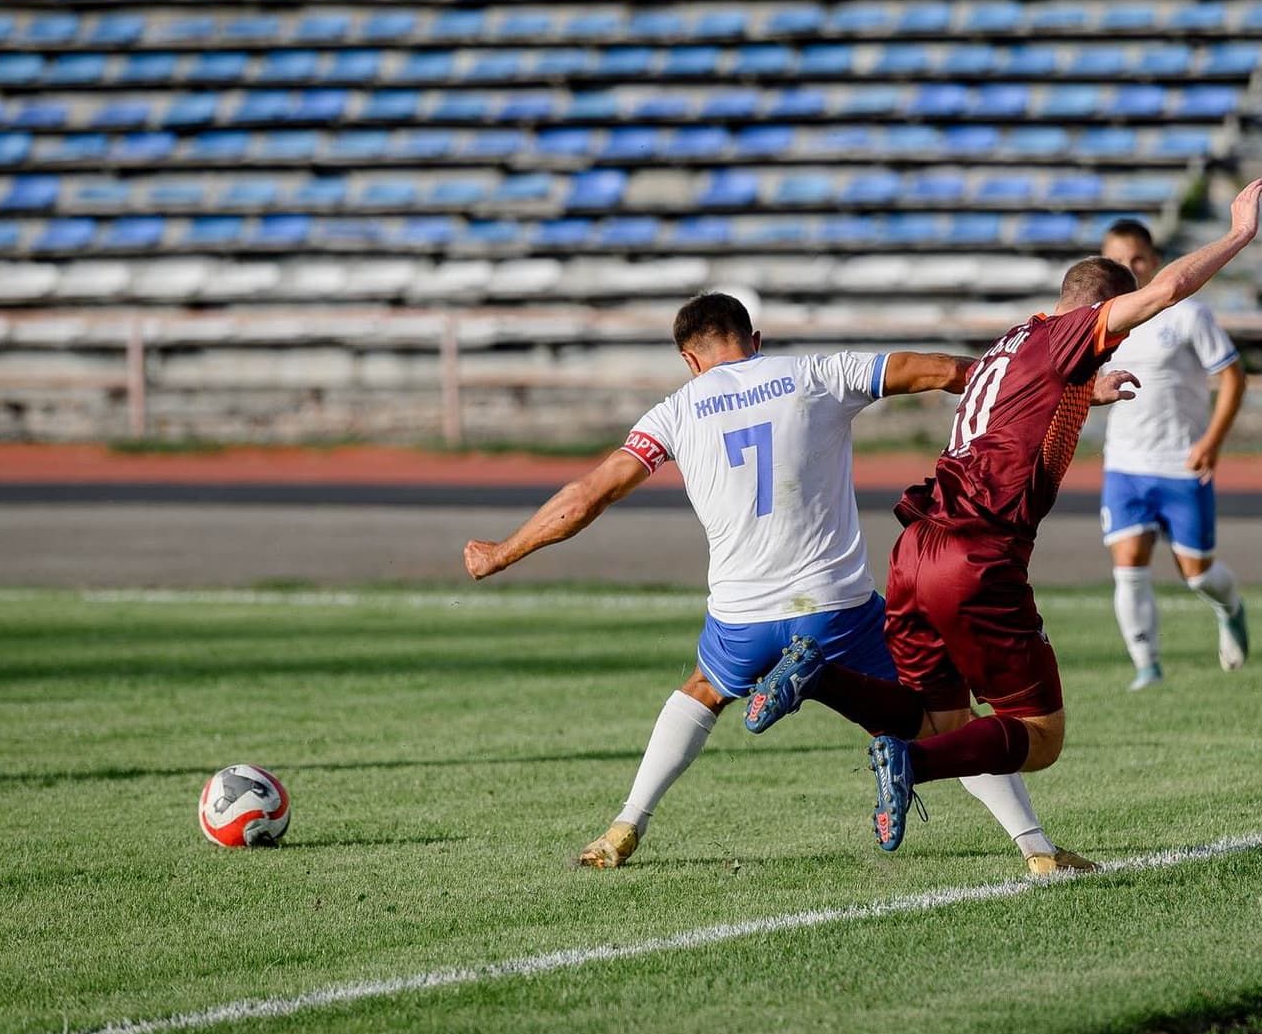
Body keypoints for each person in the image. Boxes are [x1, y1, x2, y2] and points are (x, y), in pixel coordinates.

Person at [462, 292, 1091, 874]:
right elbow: (938, 370)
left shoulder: (675, 411)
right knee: (942, 717)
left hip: (742, 619)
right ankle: (1036, 849)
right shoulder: (814, 373)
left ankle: (625, 824)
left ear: (690, 359)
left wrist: (503, 552)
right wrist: (1050, 381)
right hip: (838, 608)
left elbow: (585, 498)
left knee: (703, 689)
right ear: (753, 339)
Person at [744, 179, 1262, 851]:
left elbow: (1019, 409)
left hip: (915, 550)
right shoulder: (1071, 337)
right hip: (976, 555)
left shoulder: (1012, 343)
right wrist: (1238, 236)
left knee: (938, 717)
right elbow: (1164, 291)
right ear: (1099, 311)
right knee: (1040, 736)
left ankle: (818, 676)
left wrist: (1089, 389)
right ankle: (912, 768)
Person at [1096, 218, 1251, 688]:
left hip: (1182, 463)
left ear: (1155, 262)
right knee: (1128, 570)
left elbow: (1233, 377)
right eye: (1118, 260)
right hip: (1124, 465)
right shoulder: (1100, 321)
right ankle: (1148, 668)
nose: (1129, 267)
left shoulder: (1187, 315)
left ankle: (1231, 608)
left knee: (1197, 574)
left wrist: (1212, 441)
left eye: (1137, 258)